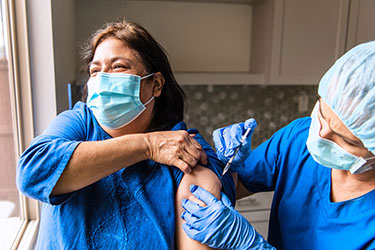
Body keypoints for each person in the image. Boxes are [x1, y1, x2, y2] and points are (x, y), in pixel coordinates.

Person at [16, 20, 236, 249]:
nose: (102, 78)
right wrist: (147, 146)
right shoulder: (79, 122)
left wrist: (227, 174)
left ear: (156, 84)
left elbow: (208, 194)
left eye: (119, 66)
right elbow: (32, 172)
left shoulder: (180, 144)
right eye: (95, 70)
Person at [181, 41, 375, 250]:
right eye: (322, 113)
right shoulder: (298, 138)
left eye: (346, 140)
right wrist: (232, 167)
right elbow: (234, 186)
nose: (321, 134)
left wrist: (251, 246)